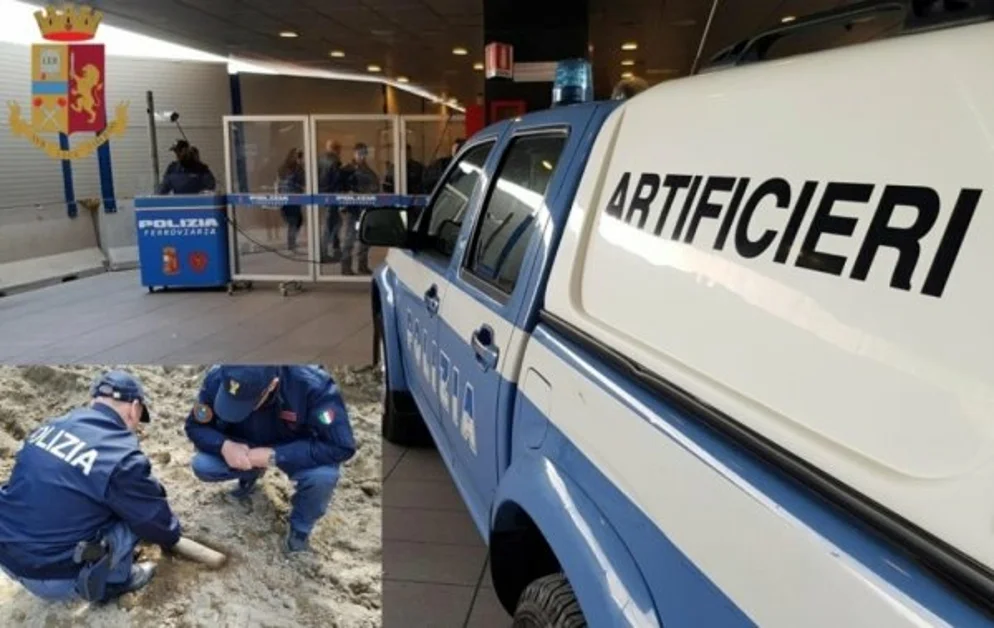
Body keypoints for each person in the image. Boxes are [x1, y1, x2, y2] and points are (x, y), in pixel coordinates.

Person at [0, 371, 181, 603]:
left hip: (6, 554)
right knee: (133, 516)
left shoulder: (52, 426)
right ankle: (115, 582)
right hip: (52, 579)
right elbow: (156, 522)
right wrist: (172, 535)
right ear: (134, 407)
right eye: (138, 417)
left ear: (93, 400)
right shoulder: (122, 456)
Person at [184, 365, 356, 554]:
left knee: (323, 477)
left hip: (296, 450)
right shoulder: (218, 377)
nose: (235, 407)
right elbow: (195, 426)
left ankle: (300, 529)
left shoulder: (313, 386)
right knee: (204, 465)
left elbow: (340, 445)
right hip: (245, 446)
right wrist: (224, 445)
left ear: (272, 385)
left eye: (247, 402)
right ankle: (249, 475)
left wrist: (277, 456)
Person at [339, 143, 380, 275]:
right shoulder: (347, 169)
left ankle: (362, 265)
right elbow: (340, 188)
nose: (362, 156)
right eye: (359, 153)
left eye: (364, 153)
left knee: (364, 237)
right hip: (352, 209)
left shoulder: (368, 170)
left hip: (365, 208)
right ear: (355, 153)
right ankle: (345, 266)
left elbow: (375, 185)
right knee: (349, 238)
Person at [318, 140, 344, 263]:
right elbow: (337, 180)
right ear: (337, 149)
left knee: (334, 222)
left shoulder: (319, 159)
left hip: (321, 195)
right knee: (330, 225)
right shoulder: (335, 161)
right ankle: (323, 253)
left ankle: (336, 248)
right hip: (332, 196)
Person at [277, 148, 306, 253]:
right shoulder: (297, 169)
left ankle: (291, 243)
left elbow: (279, 182)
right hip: (293, 198)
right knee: (295, 221)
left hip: (284, 198)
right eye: (301, 157)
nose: (302, 160)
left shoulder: (283, 168)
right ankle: (291, 244)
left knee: (294, 221)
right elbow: (302, 182)